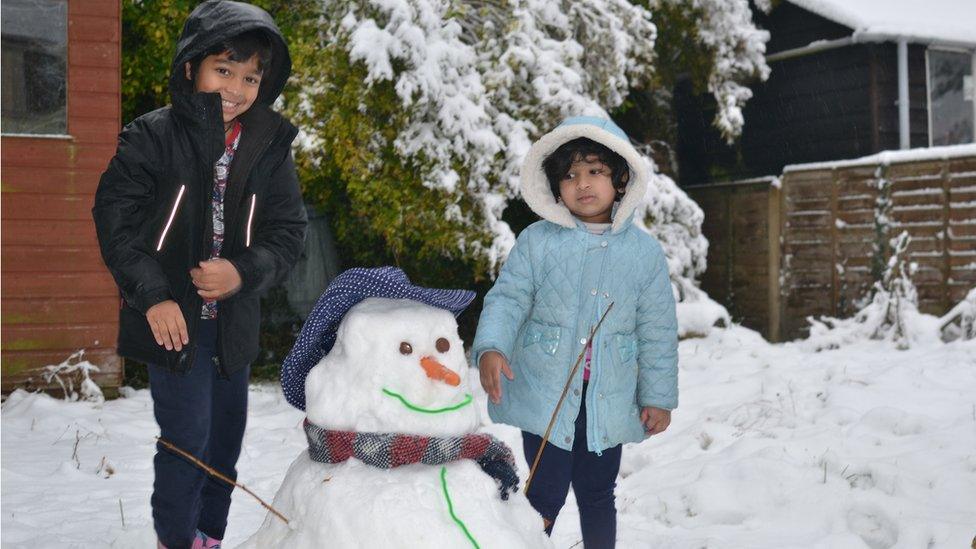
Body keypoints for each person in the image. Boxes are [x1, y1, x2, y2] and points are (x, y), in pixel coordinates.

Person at [92, 2, 307, 548]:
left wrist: (241, 272)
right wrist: (154, 297)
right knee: (187, 442)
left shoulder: (269, 148)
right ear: (191, 68)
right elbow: (117, 226)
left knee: (223, 447)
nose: (235, 87)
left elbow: (287, 234)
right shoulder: (150, 137)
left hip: (232, 325)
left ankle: (209, 536)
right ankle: (176, 539)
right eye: (223, 69)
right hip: (174, 322)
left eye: (250, 76)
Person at [471, 116, 679, 548]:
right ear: (555, 186)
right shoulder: (538, 241)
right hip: (547, 394)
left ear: (621, 179)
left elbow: (657, 328)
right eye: (570, 175)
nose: (582, 184)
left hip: (609, 397)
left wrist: (658, 395)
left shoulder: (643, 253)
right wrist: (491, 346)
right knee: (544, 493)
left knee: (598, 493)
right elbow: (509, 298)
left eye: (595, 171)